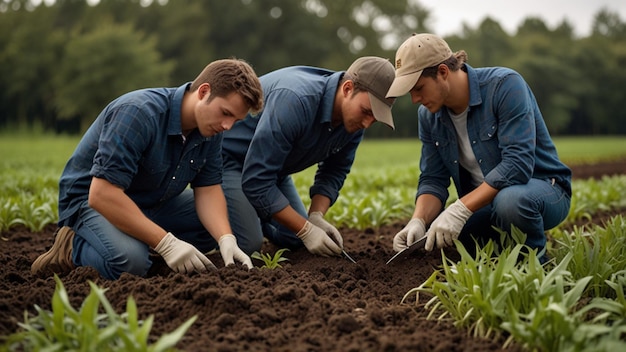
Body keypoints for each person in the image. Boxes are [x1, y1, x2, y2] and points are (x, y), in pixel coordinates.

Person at [31, 59, 264, 280]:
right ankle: (74, 246)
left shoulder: (210, 130)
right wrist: (166, 243)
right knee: (130, 263)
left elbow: (209, 189)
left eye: (235, 120)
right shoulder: (139, 113)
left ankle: (138, 240)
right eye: (226, 113)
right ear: (203, 92)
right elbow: (101, 194)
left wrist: (225, 238)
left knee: (226, 224)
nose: (227, 126)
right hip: (94, 202)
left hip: (154, 202)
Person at [386, 33, 572, 261]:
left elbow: (518, 165)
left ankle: (535, 268)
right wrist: (418, 220)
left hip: (542, 190)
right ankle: (499, 257)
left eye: (419, 88)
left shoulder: (505, 86)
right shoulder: (428, 117)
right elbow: (433, 178)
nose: (415, 99)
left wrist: (461, 208)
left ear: (443, 72)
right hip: (485, 203)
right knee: (446, 231)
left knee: (510, 202)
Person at [221, 56, 396, 257]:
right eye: (366, 111)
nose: (367, 123)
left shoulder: (354, 124)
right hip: (231, 161)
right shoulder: (296, 100)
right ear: (347, 89)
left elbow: (334, 171)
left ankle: (252, 212)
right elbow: (256, 180)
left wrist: (315, 217)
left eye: (375, 118)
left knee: (294, 238)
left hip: (274, 171)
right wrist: (306, 230)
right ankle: (229, 216)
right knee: (249, 242)